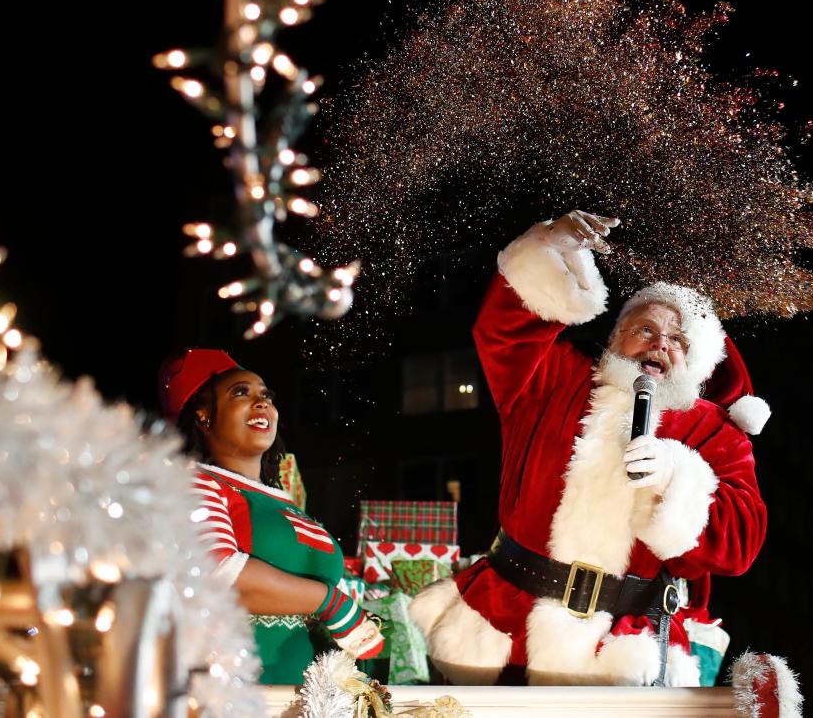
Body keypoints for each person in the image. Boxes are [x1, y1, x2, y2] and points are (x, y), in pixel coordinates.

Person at [410, 211, 770, 686]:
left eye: (678, 340)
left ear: (696, 364)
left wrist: (675, 481)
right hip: (504, 629)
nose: (660, 344)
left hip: (621, 648)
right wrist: (549, 252)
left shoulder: (715, 432)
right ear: (615, 339)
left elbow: (740, 542)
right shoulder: (553, 379)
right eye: (644, 329)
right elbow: (505, 331)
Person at [160, 349, 384, 684]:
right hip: (243, 692)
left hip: (313, 695)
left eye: (266, 395)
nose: (262, 402)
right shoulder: (196, 482)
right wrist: (331, 604)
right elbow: (218, 572)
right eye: (241, 393)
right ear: (203, 416)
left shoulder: (285, 504)